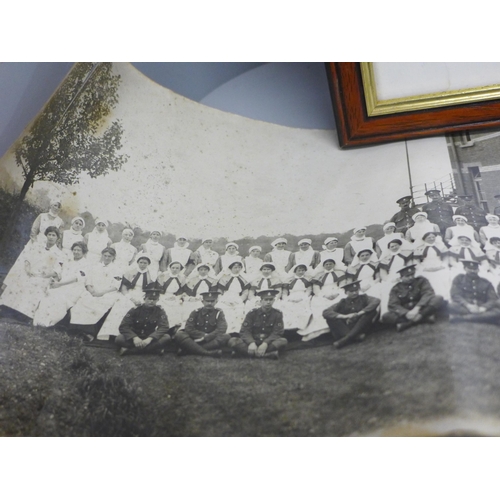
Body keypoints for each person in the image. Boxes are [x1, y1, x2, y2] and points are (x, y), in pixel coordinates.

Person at [0, 226, 64, 319]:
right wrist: (28, 269)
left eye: (53, 235)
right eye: (49, 234)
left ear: (57, 238)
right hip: (30, 272)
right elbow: (27, 259)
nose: (51, 237)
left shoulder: (59, 253)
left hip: (43, 277)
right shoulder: (37, 246)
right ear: (46, 236)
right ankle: (7, 308)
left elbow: (57, 271)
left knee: (35, 284)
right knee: (20, 279)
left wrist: (45, 275)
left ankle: (24, 313)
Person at [33, 241, 91, 327]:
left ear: (84, 252)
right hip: (61, 284)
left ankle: (49, 322)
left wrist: (60, 284)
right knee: (49, 295)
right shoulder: (68, 260)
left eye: (79, 250)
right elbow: (61, 273)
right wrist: (55, 280)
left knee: (60, 299)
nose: (76, 252)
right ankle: (38, 320)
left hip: (74, 288)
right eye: (74, 250)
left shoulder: (86, 264)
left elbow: (76, 278)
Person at [97, 255, 154, 341]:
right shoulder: (130, 272)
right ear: (137, 263)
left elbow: (150, 291)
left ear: (148, 264)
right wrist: (131, 298)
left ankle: (130, 335)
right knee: (120, 306)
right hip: (129, 293)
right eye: (141, 262)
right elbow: (124, 289)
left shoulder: (151, 275)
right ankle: (112, 333)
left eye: (145, 263)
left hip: (143, 295)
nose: (142, 264)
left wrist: (144, 299)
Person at [69, 247, 123, 338]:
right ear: (102, 255)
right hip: (92, 292)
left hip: (107, 293)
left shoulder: (117, 269)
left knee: (98, 305)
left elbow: (115, 286)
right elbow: (88, 281)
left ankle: (89, 332)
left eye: (109, 256)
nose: (106, 258)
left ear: (113, 257)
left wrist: (101, 293)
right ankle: (76, 329)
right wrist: (91, 290)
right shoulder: (95, 266)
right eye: (105, 256)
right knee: (82, 302)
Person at [381, 264, 444, 332]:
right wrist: (406, 313)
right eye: (407, 276)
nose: (411, 277)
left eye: (412, 275)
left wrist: (417, 307)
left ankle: (408, 323)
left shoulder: (421, 281)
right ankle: (424, 318)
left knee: (438, 298)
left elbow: (428, 293)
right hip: (407, 311)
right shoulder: (396, 288)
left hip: (421, 308)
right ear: (401, 278)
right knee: (386, 316)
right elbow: (393, 304)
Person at [228, 289, 287, 360]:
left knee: (283, 341)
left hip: (268, 343)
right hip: (253, 341)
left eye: (270, 299)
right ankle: (267, 355)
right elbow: (245, 331)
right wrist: (251, 343)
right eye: (266, 300)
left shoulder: (277, 314)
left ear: (273, 301)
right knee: (233, 340)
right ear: (261, 301)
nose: (268, 302)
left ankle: (244, 354)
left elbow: (277, 332)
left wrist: (265, 343)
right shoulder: (252, 314)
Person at [115, 285, 172, 355]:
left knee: (166, 337)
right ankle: (154, 350)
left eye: (154, 299)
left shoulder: (160, 311)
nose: (151, 301)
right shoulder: (135, 310)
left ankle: (130, 351)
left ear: (157, 300)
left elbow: (164, 327)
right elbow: (123, 326)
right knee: (119, 339)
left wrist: (150, 338)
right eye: (149, 299)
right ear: (144, 299)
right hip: (135, 336)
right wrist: (134, 338)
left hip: (149, 337)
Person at [323, 280, 380, 349]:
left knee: (371, 312)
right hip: (347, 327)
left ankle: (346, 339)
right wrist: (345, 316)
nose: (355, 293)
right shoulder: (342, 302)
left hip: (361, 326)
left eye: (356, 290)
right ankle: (356, 337)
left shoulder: (364, 298)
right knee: (330, 318)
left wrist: (360, 313)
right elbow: (326, 312)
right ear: (346, 292)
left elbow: (376, 301)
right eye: (351, 291)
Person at [299, 259, 345, 341]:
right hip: (323, 293)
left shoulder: (339, 273)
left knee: (340, 301)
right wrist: (324, 295)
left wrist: (337, 293)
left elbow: (342, 285)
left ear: (334, 265)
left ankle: (340, 327)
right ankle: (321, 329)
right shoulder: (319, 275)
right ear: (323, 266)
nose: (328, 266)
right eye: (326, 264)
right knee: (319, 304)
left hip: (337, 291)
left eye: (330, 264)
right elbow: (316, 288)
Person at [174, 291, 230, 357]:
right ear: (202, 301)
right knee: (180, 334)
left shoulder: (219, 313)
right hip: (196, 339)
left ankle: (189, 350)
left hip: (211, 340)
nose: (209, 303)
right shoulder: (196, 312)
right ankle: (207, 353)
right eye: (207, 301)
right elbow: (189, 328)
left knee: (226, 336)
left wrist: (207, 337)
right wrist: (202, 335)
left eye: (212, 301)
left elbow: (222, 328)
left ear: (216, 302)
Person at [449, 259, 500, 324]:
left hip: (480, 307)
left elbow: (493, 298)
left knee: (498, 312)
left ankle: (463, 318)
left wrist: (483, 308)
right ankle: (484, 318)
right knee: (451, 306)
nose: (472, 271)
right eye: (470, 268)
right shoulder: (459, 279)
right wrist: (468, 305)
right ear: (464, 268)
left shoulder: (486, 282)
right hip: (465, 306)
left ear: (478, 270)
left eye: (475, 269)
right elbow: (455, 295)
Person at [412, 232, 451, 300]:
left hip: (439, 264)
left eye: (433, 237)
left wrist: (443, 265)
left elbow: (446, 257)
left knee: (445, 275)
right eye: (429, 237)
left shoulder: (441, 246)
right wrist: (422, 268)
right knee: (423, 276)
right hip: (425, 265)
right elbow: (416, 261)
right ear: (424, 239)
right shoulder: (419, 248)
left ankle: (444, 296)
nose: (431, 239)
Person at [216, 261, 249, 333]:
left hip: (237, 298)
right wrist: (222, 300)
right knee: (224, 311)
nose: (237, 269)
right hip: (225, 297)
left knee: (239, 312)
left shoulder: (244, 279)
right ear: (231, 268)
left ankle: (236, 331)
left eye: (239, 267)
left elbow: (245, 293)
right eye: (235, 267)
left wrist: (239, 301)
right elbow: (219, 291)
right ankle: (224, 331)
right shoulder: (224, 278)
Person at [278, 263, 313, 330]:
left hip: (303, 296)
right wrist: (286, 299)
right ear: (295, 271)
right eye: (299, 270)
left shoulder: (307, 280)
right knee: (287, 308)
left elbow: (309, 290)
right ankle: (288, 327)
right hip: (291, 296)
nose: (301, 272)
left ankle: (301, 327)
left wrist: (303, 298)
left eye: (303, 270)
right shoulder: (289, 280)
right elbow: (285, 292)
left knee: (303, 308)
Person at [156, 261, 186, 329]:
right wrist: (163, 297)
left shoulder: (182, 278)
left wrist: (177, 297)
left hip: (175, 297)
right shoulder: (163, 276)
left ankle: (174, 328)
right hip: (163, 296)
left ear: (180, 269)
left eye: (177, 268)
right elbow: (158, 288)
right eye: (173, 268)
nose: (175, 270)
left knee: (178, 308)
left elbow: (181, 290)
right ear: (170, 268)